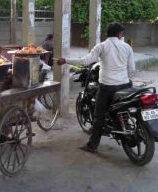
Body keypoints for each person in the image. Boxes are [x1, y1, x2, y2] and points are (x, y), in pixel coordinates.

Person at [57, 22, 135, 153]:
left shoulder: (102, 47)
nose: (122, 35)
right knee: (124, 109)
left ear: (108, 33)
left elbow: (85, 61)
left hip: (108, 87)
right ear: (118, 34)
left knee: (98, 116)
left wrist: (65, 60)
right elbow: (132, 69)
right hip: (125, 85)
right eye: (121, 33)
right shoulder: (127, 47)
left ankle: (92, 145)